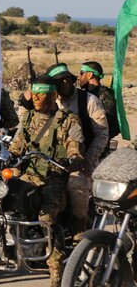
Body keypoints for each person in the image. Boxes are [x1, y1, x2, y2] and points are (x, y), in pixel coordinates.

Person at [9, 74, 84, 287]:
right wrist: (6, 158)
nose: (36, 99)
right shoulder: (28, 118)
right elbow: (17, 147)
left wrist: (71, 160)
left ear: (53, 95)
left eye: (42, 95)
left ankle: (56, 276)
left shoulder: (68, 119)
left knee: (47, 219)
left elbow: (75, 150)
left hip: (54, 178)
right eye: (35, 94)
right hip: (28, 175)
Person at [48, 63, 108, 235]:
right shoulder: (49, 102)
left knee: (76, 185)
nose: (64, 84)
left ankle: (78, 231)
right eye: (59, 81)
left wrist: (88, 161)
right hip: (53, 159)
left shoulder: (89, 101)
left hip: (81, 159)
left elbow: (102, 134)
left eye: (67, 79)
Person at [79, 61, 120, 145]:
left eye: (82, 73)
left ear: (90, 75)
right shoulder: (84, 94)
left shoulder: (104, 95)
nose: (79, 77)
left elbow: (112, 126)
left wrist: (97, 141)